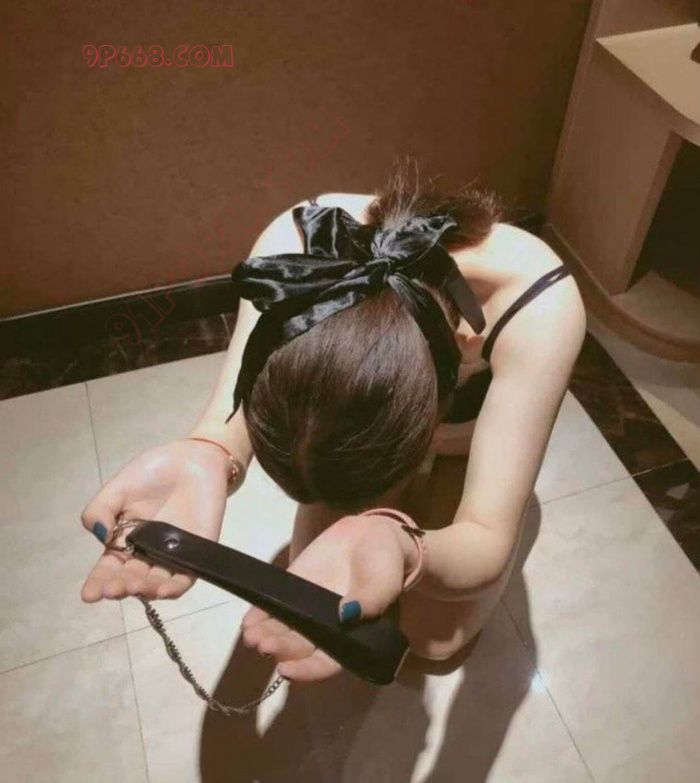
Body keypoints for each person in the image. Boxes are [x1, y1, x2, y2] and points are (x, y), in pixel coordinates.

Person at [80, 158, 586, 682]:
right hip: (365, 444)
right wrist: (208, 455)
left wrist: (407, 548)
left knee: (436, 642)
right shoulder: (295, 248)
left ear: (465, 351)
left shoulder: (538, 307)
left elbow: (486, 536)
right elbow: (226, 420)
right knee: (318, 599)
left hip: (469, 444)